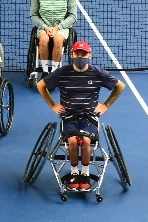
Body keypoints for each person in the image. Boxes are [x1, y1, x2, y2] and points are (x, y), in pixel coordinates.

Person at [37, 41, 125, 191]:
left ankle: (84, 174)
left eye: (83, 54)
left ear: (89, 55)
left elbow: (120, 86)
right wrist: (53, 105)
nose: (80, 56)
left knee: (85, 141)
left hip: (89, 116)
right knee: (71, 141)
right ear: (71, 55)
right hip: (69, 116)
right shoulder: (62, 72)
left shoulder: (98, 73)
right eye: (77, 53)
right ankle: (74, 173)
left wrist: (106, 105)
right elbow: (41, 85)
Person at [30, 0, 77, 76]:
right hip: (44, 26)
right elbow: (34, 14)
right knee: (44, 40)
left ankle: (55, 71)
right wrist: (45, 27)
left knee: (58, 40)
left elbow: (73, 16)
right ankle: (46, 72)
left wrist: (58, 28)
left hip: (61, 27)